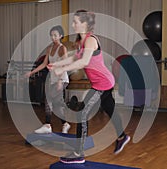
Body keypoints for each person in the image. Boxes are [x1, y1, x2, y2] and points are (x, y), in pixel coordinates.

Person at [47, 10, 130, 164]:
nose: (73, 25)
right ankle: (122, 136)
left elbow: (84, 62)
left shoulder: (91, 40)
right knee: (110, 109)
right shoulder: (82, 41)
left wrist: (62, 69)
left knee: (82, 114)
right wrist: (56, 64)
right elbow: (73, 57)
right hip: (105, 82)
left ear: (84, 24)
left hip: (102, 84)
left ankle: (78, 153)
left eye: (75, 22)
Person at [25, 25, 70, 134]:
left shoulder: (62, 48)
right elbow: (44, 64)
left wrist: (60, 81)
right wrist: (31, 72)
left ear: (60, 36)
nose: (53, 37)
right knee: (57, 104)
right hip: (53, 79)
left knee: (48, 99)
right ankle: (65, 123)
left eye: (55, 35)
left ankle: (48, 125)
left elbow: (65, 65)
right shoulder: (49, 48)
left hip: (62, 79)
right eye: (51, 35)